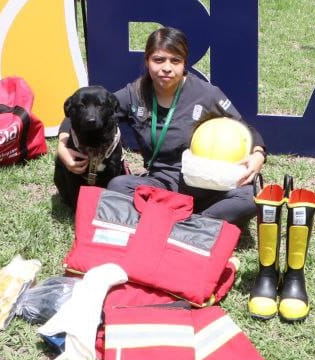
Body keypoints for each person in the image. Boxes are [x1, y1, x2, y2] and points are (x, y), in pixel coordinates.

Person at [57, 27, 267, 226]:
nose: (167, 67)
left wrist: (258, 153)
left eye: (175, 61)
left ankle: (186, 222)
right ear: (147, 61)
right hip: (162, 184)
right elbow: (87, 113)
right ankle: (195, 224)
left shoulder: (206, 94)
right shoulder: (135, 94)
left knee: (250, 199)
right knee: (118, 187)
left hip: (207, 184)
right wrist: (63, 143)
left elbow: (244, 128)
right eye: (159, 60)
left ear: (184, 64)